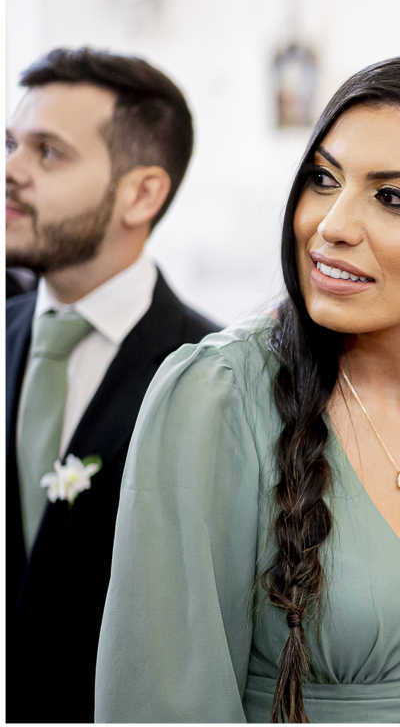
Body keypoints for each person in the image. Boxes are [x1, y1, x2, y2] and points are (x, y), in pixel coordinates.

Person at [94, 50, 400, 722]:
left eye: (393, 198)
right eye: (322, 179)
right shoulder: (216, 396)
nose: (332, 225)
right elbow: (164, 703)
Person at [5, 47, 217, 723]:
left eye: (49, 153)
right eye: (11, 145)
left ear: (141, 193)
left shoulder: (211, 376)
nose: (11, 171)